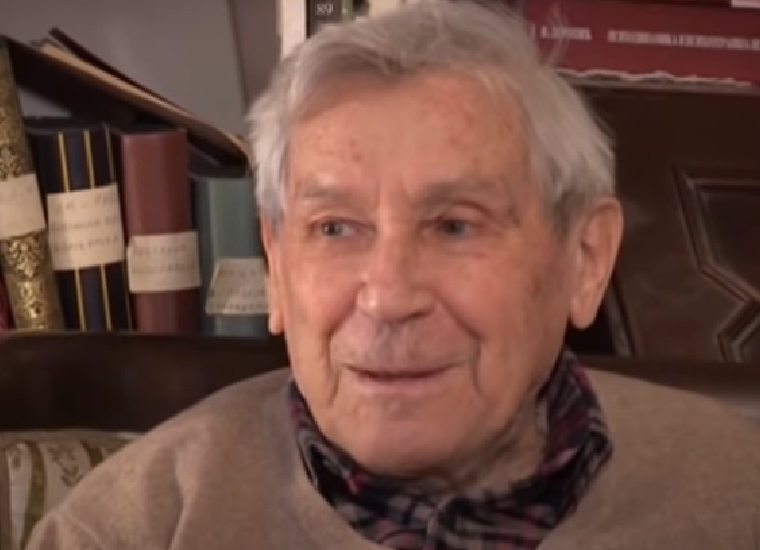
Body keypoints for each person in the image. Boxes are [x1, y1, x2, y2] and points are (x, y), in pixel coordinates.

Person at [27, 1, 760, 549]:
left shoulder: (737, 493)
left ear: (585, 260)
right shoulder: (133, 528)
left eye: (455, 226)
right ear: (276, 268)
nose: (387, 297)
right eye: (335, 228)